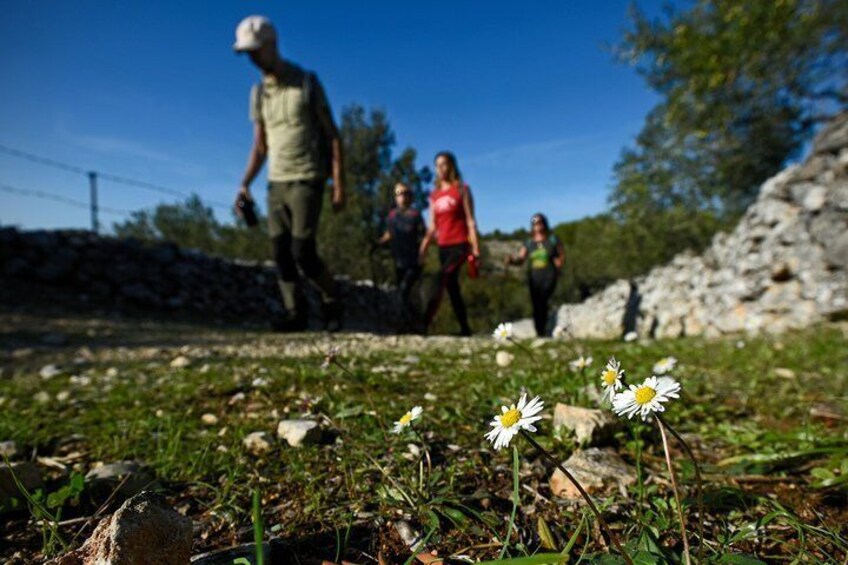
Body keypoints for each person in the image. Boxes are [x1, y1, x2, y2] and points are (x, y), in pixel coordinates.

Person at [232, 16, 345, 332]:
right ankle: (295, 313)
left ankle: (332, 299)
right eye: (247, 53)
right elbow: (260, 146)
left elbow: (333, 135)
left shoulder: (306, 83)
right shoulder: (259, 94)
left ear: (271, 45)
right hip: (275, 181)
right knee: (280, 252)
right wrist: (244, 184)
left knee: (302, 250)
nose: (252, 58)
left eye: (255, 50)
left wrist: (339, 185)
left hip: (307, 177)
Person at [419, 151, 481, 336]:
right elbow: (432, 226)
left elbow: (471, 220)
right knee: (451, 287)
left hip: (460, 243)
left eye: (444, 164)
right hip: (443, 246)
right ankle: (465, 328)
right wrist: (423, 248)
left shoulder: (462, 189)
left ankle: (424, 323)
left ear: (452, 166)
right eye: (437, 165)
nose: (440, 168)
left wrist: (475, 248)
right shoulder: (434, 196)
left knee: (441, 278)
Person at [505, 213, 564, 337]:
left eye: (540, 222)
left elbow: (561, 254)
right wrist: (511, 260)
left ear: (544, 224)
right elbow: (521, 259)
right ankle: (540, 332)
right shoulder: (529, 243)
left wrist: (559, 264)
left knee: (543, 300)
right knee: (536, 304)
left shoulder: (552, 240)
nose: (537, 225)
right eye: (534, 223)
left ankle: (546, 329)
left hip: (549, 275)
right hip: (534, 278)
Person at [376, 183, 426, 318]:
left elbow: (424, 237)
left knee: (405, 289)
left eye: (405, 193)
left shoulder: (416, 215)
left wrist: (423, 254)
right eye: (398, 194)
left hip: (414, 261)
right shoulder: (391, 216)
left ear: (410, 196)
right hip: (398, 261)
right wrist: (378, 243)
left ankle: (411, 319)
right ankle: (407, 320)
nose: (402, 197)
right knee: (401, 292)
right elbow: (389, 234)